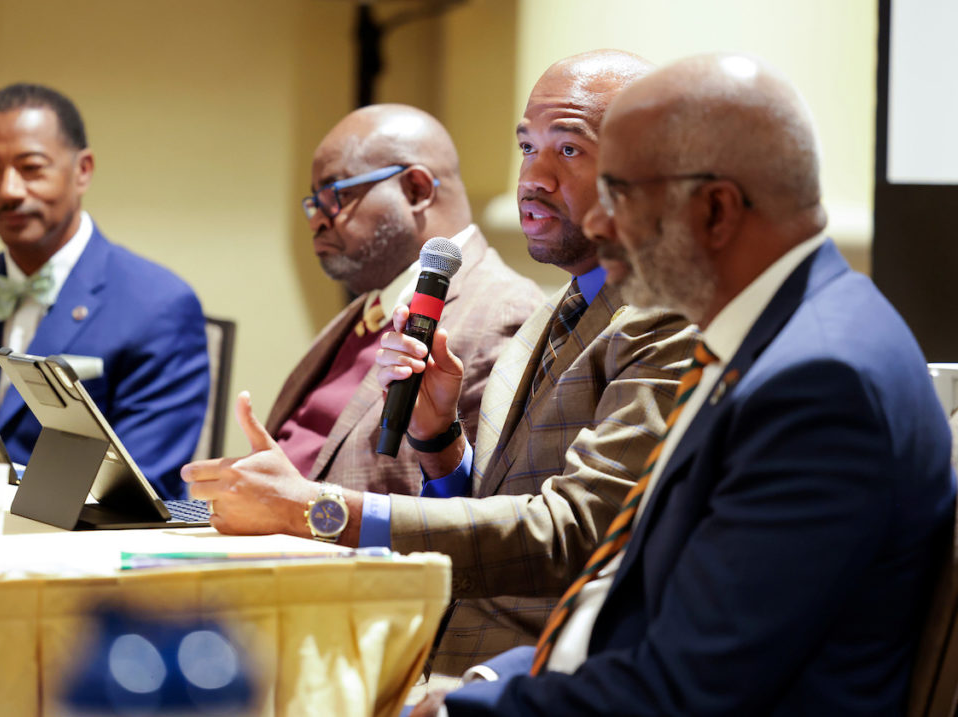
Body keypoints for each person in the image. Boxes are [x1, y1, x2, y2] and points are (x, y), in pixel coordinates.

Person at [412, 52, 957, 716]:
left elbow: (689, 689)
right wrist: (494, 682)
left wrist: (453, 712)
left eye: (620, 195)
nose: (599, 224)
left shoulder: (819, 382)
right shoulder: (767, 336)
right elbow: (636, 611)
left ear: (716, 210)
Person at [182, 51, 698, 678]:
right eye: (526, 147)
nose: (532, 177)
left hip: (525, 677)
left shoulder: (666, 314)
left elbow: (575, 531)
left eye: (567, 150)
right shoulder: (559, 305)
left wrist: (312, 510)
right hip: (438, 656)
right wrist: (438, 437)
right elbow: (498, 497)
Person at [0, 83, 209, 500]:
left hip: (90, 553)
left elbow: (138, 489)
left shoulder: (158, 307)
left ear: (83, 170)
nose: (8, 190)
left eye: (31, 167)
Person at [266, 103, 541, 494]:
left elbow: (483, 516)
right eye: (314, 202)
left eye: (333, 195)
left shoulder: (503, 312)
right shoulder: (371, 308)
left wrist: (295, 508)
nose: (317, 220)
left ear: (416, 190)